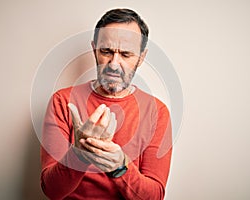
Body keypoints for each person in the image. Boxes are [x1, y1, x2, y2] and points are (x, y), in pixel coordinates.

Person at [40, 8, 172, 200]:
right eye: (106, 51)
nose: (114, 64)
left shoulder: (157, 112)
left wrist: (120, 167)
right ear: (94, 49)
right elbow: (52, 191)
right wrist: (79, 154)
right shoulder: (62, 101)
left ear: (141, 58)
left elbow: (154, 197)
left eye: (126, 54)